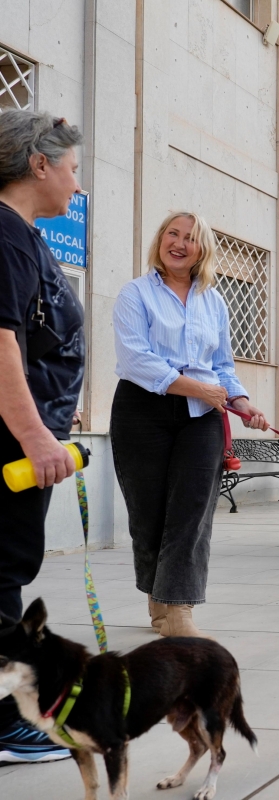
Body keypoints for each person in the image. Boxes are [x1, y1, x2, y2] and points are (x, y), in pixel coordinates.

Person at [111, 211, 269, 639]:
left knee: (192, 512)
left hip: (201, 418)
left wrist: (242, 402)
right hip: (142, 410)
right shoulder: (135, 294)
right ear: (160, 240)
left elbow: (221, 366)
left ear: (202, 250)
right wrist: (197, 388)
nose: (179, 243)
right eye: (172, 234)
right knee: (149, 514)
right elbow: (136, 359)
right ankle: (159, 601)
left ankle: (178, 610)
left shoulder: (213, 301)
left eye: (190, 238)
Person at [0, 110, 85, 765]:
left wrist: (57, 413)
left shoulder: (21, 235)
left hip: (26, 435)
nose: (76, 185)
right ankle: (6, 723)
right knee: (3, 571)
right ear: (38, 165)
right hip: (11, 448)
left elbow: (33, 344)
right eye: (72, 168)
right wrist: (34, 435)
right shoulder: (4, 234)